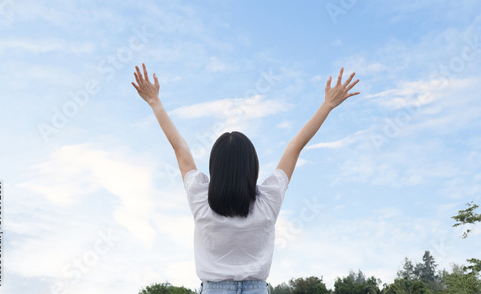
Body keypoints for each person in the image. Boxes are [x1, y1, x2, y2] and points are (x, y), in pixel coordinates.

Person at [132, 63, 360, 294]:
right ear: (252, 166)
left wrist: (154, 102)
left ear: (215, 167)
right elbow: (295, 147)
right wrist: (327, 105)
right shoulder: (269, 199)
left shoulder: (200, 197)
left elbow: (179, 148)